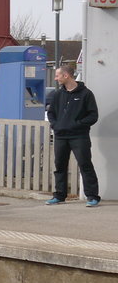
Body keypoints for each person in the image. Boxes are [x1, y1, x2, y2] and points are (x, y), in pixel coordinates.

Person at [45, 63, 101, 206]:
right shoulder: (57, 94)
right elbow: (51, 113)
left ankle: (93, 197)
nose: (56, 78)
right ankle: (59, 195)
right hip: (61, 136)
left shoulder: (86, 94)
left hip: (79, 136)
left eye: (57, 75)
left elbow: (93, 116)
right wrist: (56, 125)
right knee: (60, 166)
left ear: (66, 75)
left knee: (85, 164)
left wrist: (77, 124)